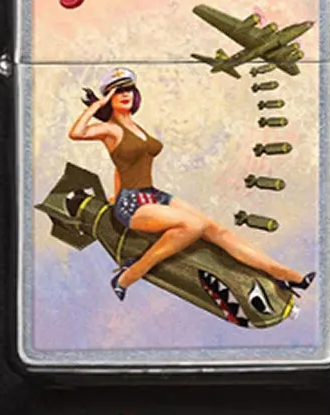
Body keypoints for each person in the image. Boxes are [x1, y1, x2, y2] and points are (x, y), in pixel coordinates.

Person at [67, 68, 314, 302]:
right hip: (132, 205)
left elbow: (121, 166)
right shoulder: (110, 129)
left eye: (129, 89)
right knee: (192, 225)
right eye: (118, 91)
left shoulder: (136, 127)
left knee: (216, 230)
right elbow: (76, 133)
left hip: (151, 195)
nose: (125, 94)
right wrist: (97, 105)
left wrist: (114, 193)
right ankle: (129, 276)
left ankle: (284, 274)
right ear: (109, 97)